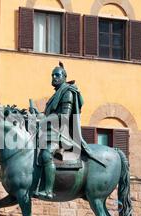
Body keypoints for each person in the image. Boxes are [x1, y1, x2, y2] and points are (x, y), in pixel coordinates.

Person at [35, 62, 105, 200]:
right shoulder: (54, 96)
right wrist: (37, 116)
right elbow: (48, 114)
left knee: (46, 154)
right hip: (50, 132)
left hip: (61, 134)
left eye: (57, 75)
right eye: (52, 75)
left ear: (64, 77)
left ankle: (48, 190)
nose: (54, 77)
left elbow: (65, 117)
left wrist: (44, 120)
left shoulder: (68, 93)